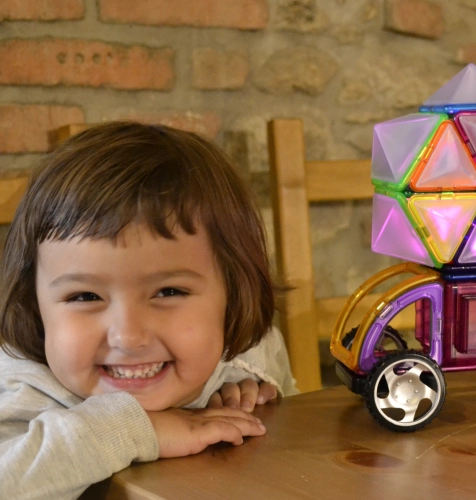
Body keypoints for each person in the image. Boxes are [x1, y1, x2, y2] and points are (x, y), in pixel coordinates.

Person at [0, 122, 297, 499]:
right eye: (85, 296)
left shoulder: (250, 356)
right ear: (33, 303)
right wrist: (129, 429)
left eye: (168, 291)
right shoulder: (23, 389)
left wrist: (263, 403)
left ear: (235, 293)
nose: (128, 336)